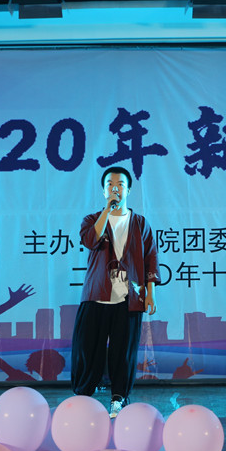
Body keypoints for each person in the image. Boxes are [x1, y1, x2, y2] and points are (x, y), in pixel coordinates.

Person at [71, 166, 160, 417]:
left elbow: (151, 258)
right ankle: (83, 396)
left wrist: (150, 292)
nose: (115, 188)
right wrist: (106, 212)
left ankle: (118, 398)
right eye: (110, 184)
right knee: (88, 348)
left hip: (129, 298)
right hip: (96, 295)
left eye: (120, 184)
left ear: (128, 189)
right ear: (104, 191)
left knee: (123, 351)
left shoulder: (140, 223)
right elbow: (90, 240)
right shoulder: (92, 219)